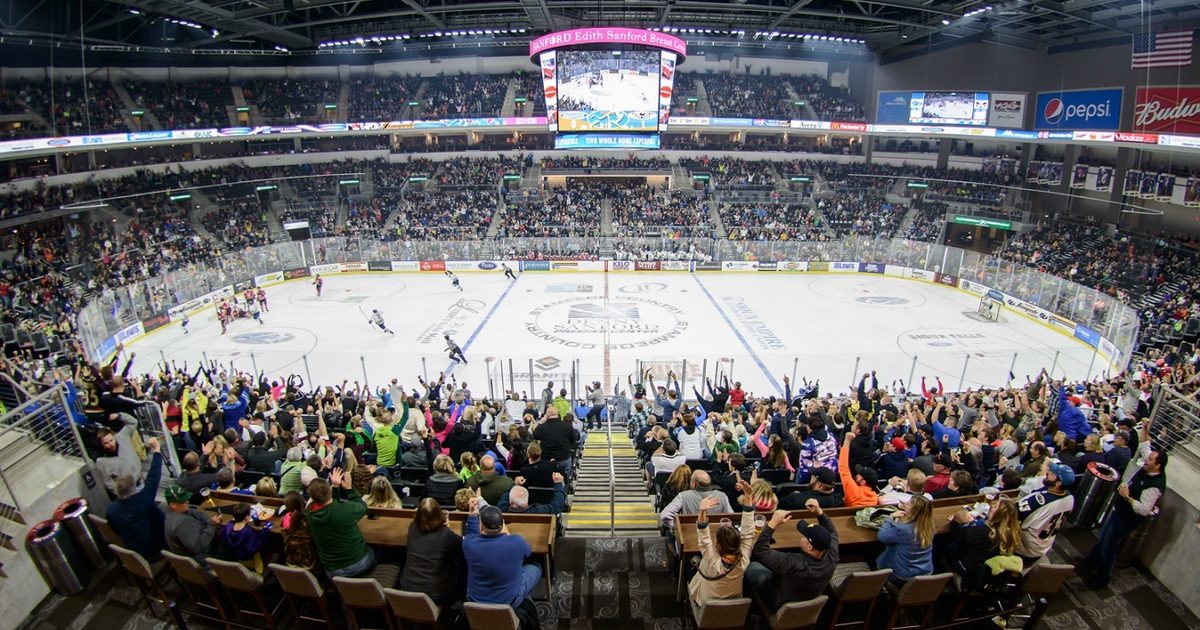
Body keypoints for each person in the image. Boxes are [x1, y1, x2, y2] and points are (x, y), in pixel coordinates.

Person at [1078, 421, 1166, 588]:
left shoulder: (1154, 486)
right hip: (1120, 511)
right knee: (1103, 538)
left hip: (1126, 519)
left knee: (1109, 546)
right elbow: (1145, 444)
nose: (1146, 460)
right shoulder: (1149, 466)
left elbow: (1144, 509)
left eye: (1151, 459)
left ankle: (1102, 578)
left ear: (1158, 465)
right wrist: (1146, 428)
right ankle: (1090, 561)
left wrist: (1128, 497)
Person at [745, 498, 838, 612]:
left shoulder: (793, 563)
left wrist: (773, 523)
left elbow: (760, 551)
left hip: (778, 603)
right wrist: (819, 512)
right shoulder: (832, 555)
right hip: (808, 600)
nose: (801, 537)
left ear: (809, 547)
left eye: (804, 536)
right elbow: (832, 532)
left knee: (751, 565)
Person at [688, 481, 755, 607]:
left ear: (717, 545)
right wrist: (748, 497)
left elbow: (704, 538)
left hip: (707, 605)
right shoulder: (743, 560)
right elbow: (748, 533)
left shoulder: (711, 561)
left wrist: (702, 511)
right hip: (734, 605)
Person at [463, 499, 541, 607]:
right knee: (535, 568)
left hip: (474, 601)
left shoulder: (469, 544)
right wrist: (507, 534)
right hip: (508, 602)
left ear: (481, 526)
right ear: (502, 525)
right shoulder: (516, 541)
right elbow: (527, 553)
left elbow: (470, 533)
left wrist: (472, 513)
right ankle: (526, 601)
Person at [106, 437, 165, 561]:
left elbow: (116, 530)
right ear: (133, 488)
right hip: (155, 550)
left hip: (134, 553)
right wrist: (157, 450)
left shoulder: (110, 510)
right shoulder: (143, 500)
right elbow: (154, 476)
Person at [307, 470, 374, 577]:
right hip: (357, 564)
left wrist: (335, 486)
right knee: (378, 551)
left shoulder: (309, 513)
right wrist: (349, 489)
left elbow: (330, 505)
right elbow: (362, 507)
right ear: (329, 491)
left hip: (332, 570)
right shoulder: (345, 510)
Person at [946, 497, 1022, 591]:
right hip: (984, 566)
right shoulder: (1011, 532)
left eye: (994, 508)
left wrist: (954, 522)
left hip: (970, 569)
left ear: (998, 515)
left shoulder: (985, 532)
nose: (991, 507)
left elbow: (960, 536)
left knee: (947, 545)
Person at [403, 498, 465, 606]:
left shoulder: (412, 527)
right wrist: (445, 527)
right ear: (438, 514)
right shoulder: (446, 535)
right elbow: (462, 545)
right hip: (435, 595)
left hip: (407, 587)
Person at [1015, 461, 1075, 566]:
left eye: (1052, 474)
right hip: (1044, 546)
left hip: (1024, 549)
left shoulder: (1039, 501)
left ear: (1058, 483)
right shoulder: (1070, 497)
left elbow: (1012, 514)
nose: (1048, 473)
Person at [876, 494, 935, 584]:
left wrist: (890, 518)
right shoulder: (929, 526)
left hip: (902, 576)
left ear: (913, 510)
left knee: (877, 554)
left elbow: (882, 537)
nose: (906, 503)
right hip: (926, 573)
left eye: (909, 503)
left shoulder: (902, 528)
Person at [163, 484, 220, 565]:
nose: (187, 501)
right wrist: (212, 525)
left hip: (194, 546)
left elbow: (196, 513)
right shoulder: (182, 523)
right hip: (199, 559)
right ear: (173, 505)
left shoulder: (172, 511)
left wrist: (209, 521)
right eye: (183, 500)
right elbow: (197, 547)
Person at [660, 470, 733, 531]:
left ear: (694, 484)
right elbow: (731, 517)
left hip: (689, 536)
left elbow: (664, 515)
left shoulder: (683, 496)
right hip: (717, 537)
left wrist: (676, 528)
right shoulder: (722, 496)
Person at [95, 413, 145, 498]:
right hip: (128, 493)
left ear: (114, 437)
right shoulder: (101, 461)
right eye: (106, 443)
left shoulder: (122, 437)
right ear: (102, 444)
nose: (110, 444)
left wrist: (119, 415)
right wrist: (121, 492)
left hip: (141, 482)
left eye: (111, 440)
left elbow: (133, 422)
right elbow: (108, 482)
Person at [217, 503, 272, 573]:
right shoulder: (249, 532)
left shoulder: (228, 526)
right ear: (247, 518)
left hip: (232, 556)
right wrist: (265, 529)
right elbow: (260, 545)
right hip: (247, 559)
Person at [838, 430, 879, 507]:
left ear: (863, 482)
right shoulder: (875, 497)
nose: (857, 474)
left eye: (860, 474)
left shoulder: (854, 491)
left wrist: (847, 441)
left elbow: (843, 468)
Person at [779, 466, 844, 510]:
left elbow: (777, 505)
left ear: (819, 485)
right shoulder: (839, 501)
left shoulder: (795, 499)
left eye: (812, 478)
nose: (810, 479)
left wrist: (798, 496)